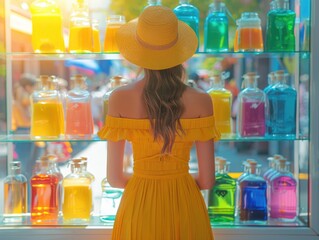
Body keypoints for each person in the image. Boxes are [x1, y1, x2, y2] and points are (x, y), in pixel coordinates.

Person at [98, 6, 220, 240]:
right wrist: (175, 183)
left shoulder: (119, 98)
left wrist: (149, 182)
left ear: (138, 51)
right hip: (185, 203)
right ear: (179, 52)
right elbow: (207, 180)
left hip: (138, 203)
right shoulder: (202, 100)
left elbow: (114, 178)